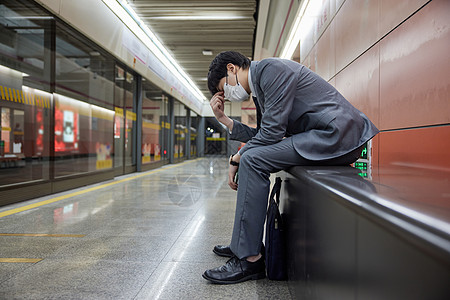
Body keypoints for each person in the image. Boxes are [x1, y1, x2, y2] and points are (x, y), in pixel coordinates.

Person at [202, 51, 379, 284]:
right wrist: (224, 120)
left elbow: (271, 133)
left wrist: (237, 158)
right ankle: (242, 245)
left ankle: (250, 258)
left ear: (232, 69)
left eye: (225, 89)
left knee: (253, 160)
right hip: (321, 136)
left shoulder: (270, 70)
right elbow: (262, 134)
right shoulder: (261, 87)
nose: (228, 96)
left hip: (337, 136)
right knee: (252, 156)